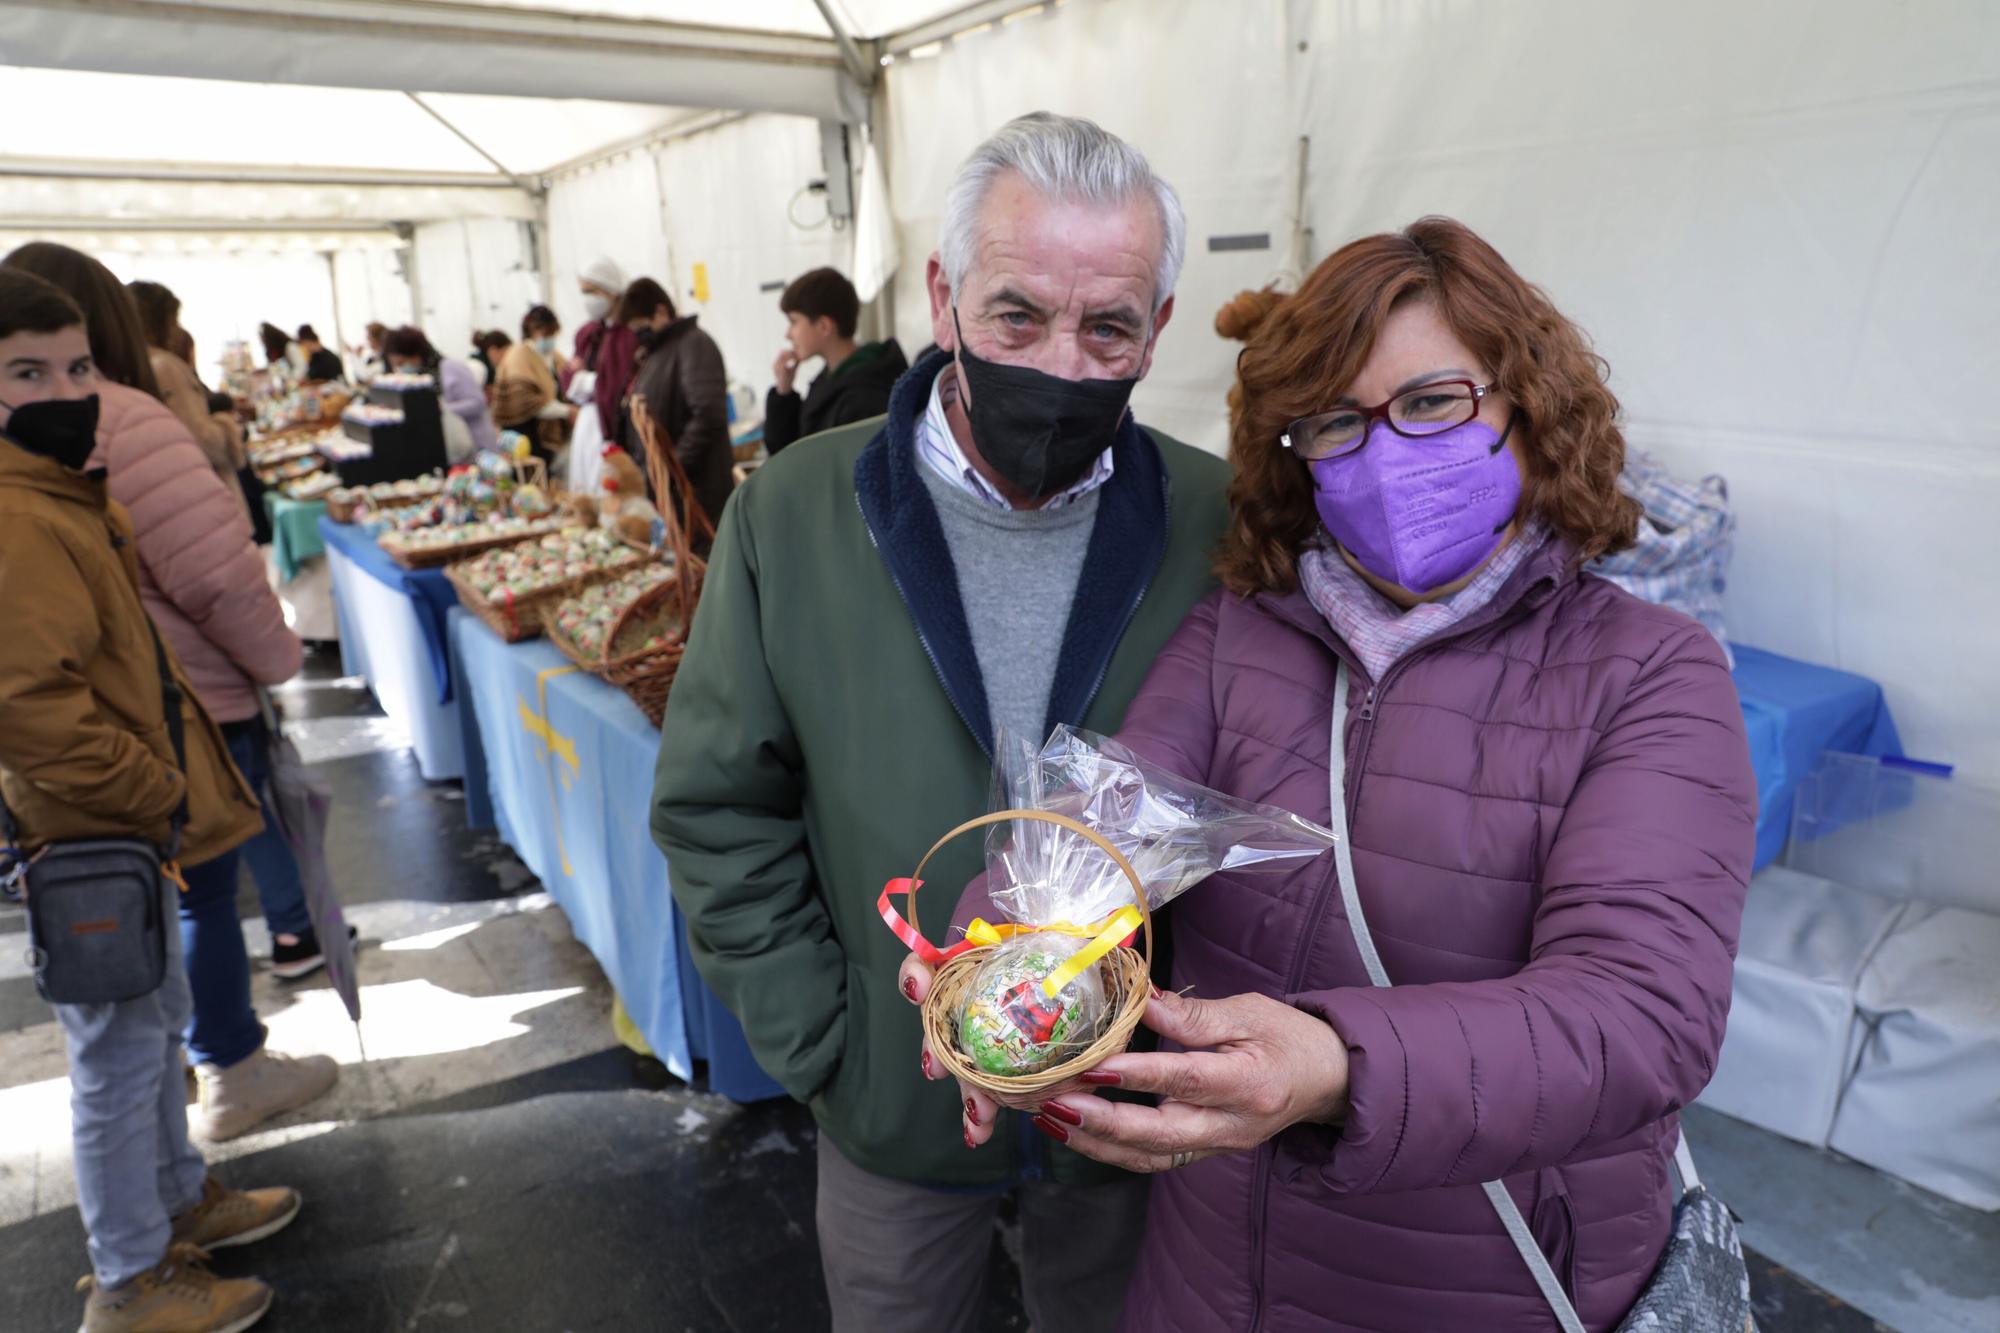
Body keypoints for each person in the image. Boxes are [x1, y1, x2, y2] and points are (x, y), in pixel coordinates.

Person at [908, 218, 1760, 1332]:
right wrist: (1002, 954)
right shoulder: (1241, 635)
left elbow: (1640, 1012)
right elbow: (1108, 820)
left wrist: (1336, 1065)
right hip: (1208, 1273)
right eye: (1334, 424)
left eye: (1430, 402)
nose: (1384, 453)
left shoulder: (1647, 670)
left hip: (1484, 1279)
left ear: (1525, 401)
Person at [651, 112, 1228, 1333]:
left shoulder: (1213, 519)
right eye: (1017, 315)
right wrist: (829, 1042)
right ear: (940, 295)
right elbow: (717, 803)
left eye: (1107, 326)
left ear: (1157, 328)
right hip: (892, 1110)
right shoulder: (797, 512)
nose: (1063, 366)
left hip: (1132, 1103)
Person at [0, 267, 305, 1333]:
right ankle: (130, 1278)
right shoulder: (17, 516)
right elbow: (28, 702)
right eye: (26, 372)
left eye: (78, 365)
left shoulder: (57, 490)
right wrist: (152, 786)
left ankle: (179, 1202)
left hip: (127, 825)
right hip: (90, 830)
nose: (66, 390)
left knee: (156, 1023)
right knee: (119, 1057)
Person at [619, 276, 732, 530]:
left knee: (702, 556)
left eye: (642, 326)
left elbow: (708, 413)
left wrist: (673, 465)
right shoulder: (657, 351)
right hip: (672, 487)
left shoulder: (694, 345)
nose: (639, 335)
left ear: (661, 311)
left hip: (697, 487)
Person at [125, 279, 249, 506]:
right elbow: (203, 439)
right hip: (205, 493)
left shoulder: (134, 366)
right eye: (174, 321)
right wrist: (225, 426)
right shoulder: (165, 368)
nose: (177, 329)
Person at [764, 266, 908, 456]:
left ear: (824, 326)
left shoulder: (864, 398)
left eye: (793, 322)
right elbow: (788, 454)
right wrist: (784, 392)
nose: (788, 334)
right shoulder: (831, 379)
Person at [384, 325, 497, 462]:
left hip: (477, 447)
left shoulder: (451, 368)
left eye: (401, 363)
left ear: (414, 354)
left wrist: (443, 409)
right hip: (452, 450)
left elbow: (478, 402)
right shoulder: (420, 380)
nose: (400, 369)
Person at [565, 257, 640, 445]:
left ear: (610, 291)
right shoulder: (588, 333)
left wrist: (588, 382)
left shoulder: (628, 335)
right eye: (583, 291)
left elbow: (620, 384)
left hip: (618, 427)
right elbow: (569, 375)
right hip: (589, 425)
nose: (586, 298)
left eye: (590, 291)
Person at [495, 303, 570, 461]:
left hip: (544, 434)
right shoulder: (518, 355)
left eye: (552, 333)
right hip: (524, 433)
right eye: (545, 333)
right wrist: (567, 411)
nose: (549, 338)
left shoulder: (551, 356)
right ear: (533, 330)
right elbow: (523, 401)